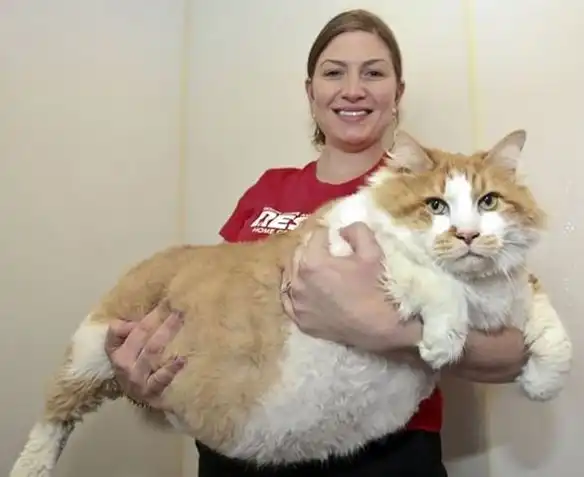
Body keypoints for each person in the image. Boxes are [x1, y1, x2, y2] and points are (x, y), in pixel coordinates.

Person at [103, 8, 528, 477]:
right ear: (311, 92)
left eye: (373, 73)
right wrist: (140, 376)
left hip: (379, 455)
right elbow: (205, 311)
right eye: (333, 73)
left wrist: (388, 331)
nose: (353, 89)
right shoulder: (268, 188)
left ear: (398, 93)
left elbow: (515, 352)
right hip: (238, 445)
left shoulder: (439, 199)